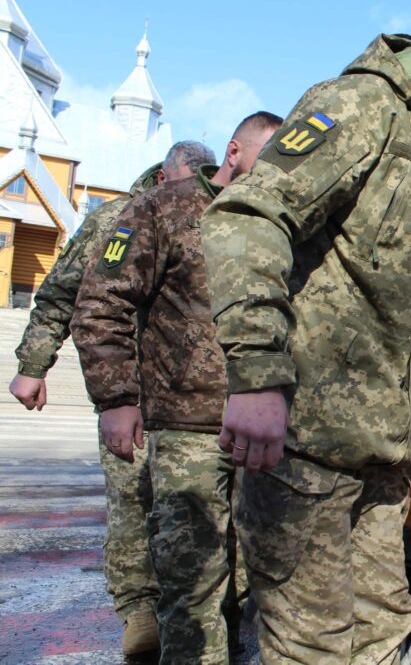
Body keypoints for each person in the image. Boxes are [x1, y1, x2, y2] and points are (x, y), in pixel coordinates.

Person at [199, 0, 411, 662]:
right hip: (305, 448)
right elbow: (246, 220)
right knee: (311, 644)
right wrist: (258, 374)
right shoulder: (361, 108)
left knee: (386, 633)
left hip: (384, 464)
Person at [70, 112, 282, 663]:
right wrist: (116, 399)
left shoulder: (280, 217)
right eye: (266, 162)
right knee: (191, 586)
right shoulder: (162, 208)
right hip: (187, 428)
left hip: (263, 433)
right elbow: (101, 302)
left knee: (249, 585)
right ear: (233, 152)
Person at [8, 140, 215, 656]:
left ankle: (197, 611)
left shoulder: (214, 214)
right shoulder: (116, 221)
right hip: (132, 389)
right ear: (167, 176)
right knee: (132, 496)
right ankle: (140, 609)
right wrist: (34, 366)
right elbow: (62, 292)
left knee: (192, 509)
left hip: (192, 398)